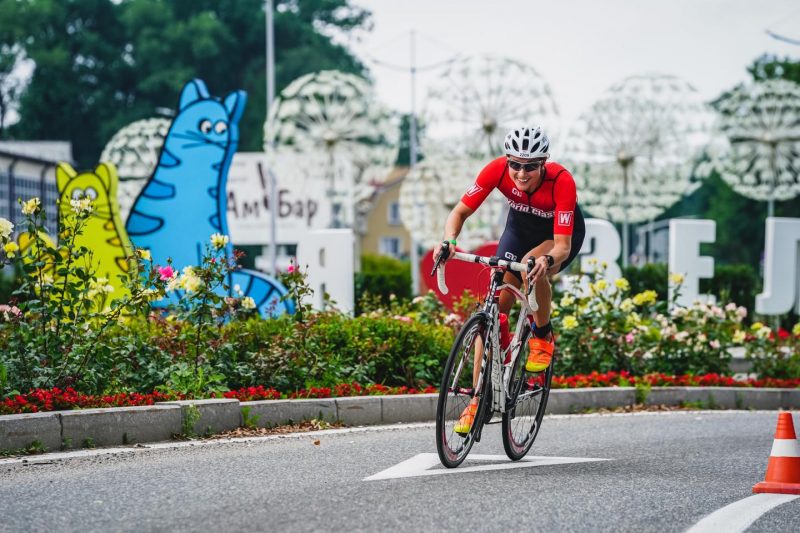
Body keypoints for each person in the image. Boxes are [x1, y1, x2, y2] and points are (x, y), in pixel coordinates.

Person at [433, 125, 585, 434]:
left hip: (555, 237)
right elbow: (459, 213)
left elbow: (562, 247)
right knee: (491, 312)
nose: (521, 173)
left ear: (544, 163)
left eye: (530, 166)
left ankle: (542, 335)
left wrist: (548, 260)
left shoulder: (561, 181)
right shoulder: (497, 170)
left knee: (530, 268)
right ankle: (478, 399)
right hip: (518, 230)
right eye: (515, 164)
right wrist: (449, 241)